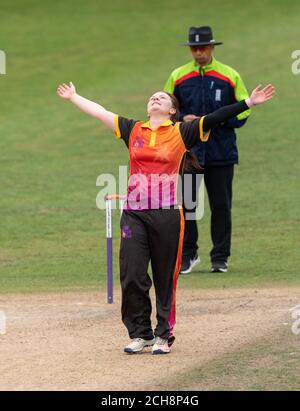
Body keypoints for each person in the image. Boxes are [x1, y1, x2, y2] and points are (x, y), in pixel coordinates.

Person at [57, 82, 274, 354]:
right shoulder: (133, 129)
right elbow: (100, 112)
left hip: (168, 213)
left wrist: (249, 103)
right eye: (152, 97)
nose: (155, 99)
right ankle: (140, 334)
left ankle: (163, 334)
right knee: (132, 274)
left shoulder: (183, 131)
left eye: (161, 98)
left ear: (173, 110)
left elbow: (218, 117)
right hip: (134, 214)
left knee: (164, 276)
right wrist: (74, 96)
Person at [164, 26, 250, 274]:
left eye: (203, 47)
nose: (199, 52)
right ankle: (189, 255)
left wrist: (217, 119)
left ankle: (220, 257)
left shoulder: (229, 75)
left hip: (221, 152)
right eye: (194, 48)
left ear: (212, 47)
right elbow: (164, 107)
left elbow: (244, 109)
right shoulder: (178, 76)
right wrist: (182, 119)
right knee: (187, 205)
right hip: (189, 153)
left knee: (221, 205)